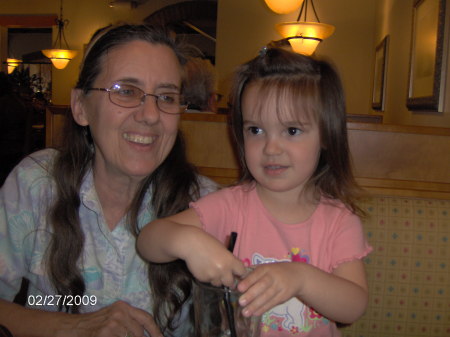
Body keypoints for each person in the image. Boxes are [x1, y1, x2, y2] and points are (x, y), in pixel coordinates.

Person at [137, 47, 373, 336]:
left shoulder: (340, 221)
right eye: (256, 130)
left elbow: (353, 306)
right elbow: (148, 241)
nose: (271, 149)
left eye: (292, 131)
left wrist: (301, 278)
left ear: (325, 134)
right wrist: (186, 240)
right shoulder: (230, 206)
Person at [0, 24, 217, 337]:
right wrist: (73, 327)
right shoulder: (35, 183)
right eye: (127, 92)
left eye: (167, 97)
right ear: (81, 106)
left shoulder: (211, 206)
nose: (151, 115)